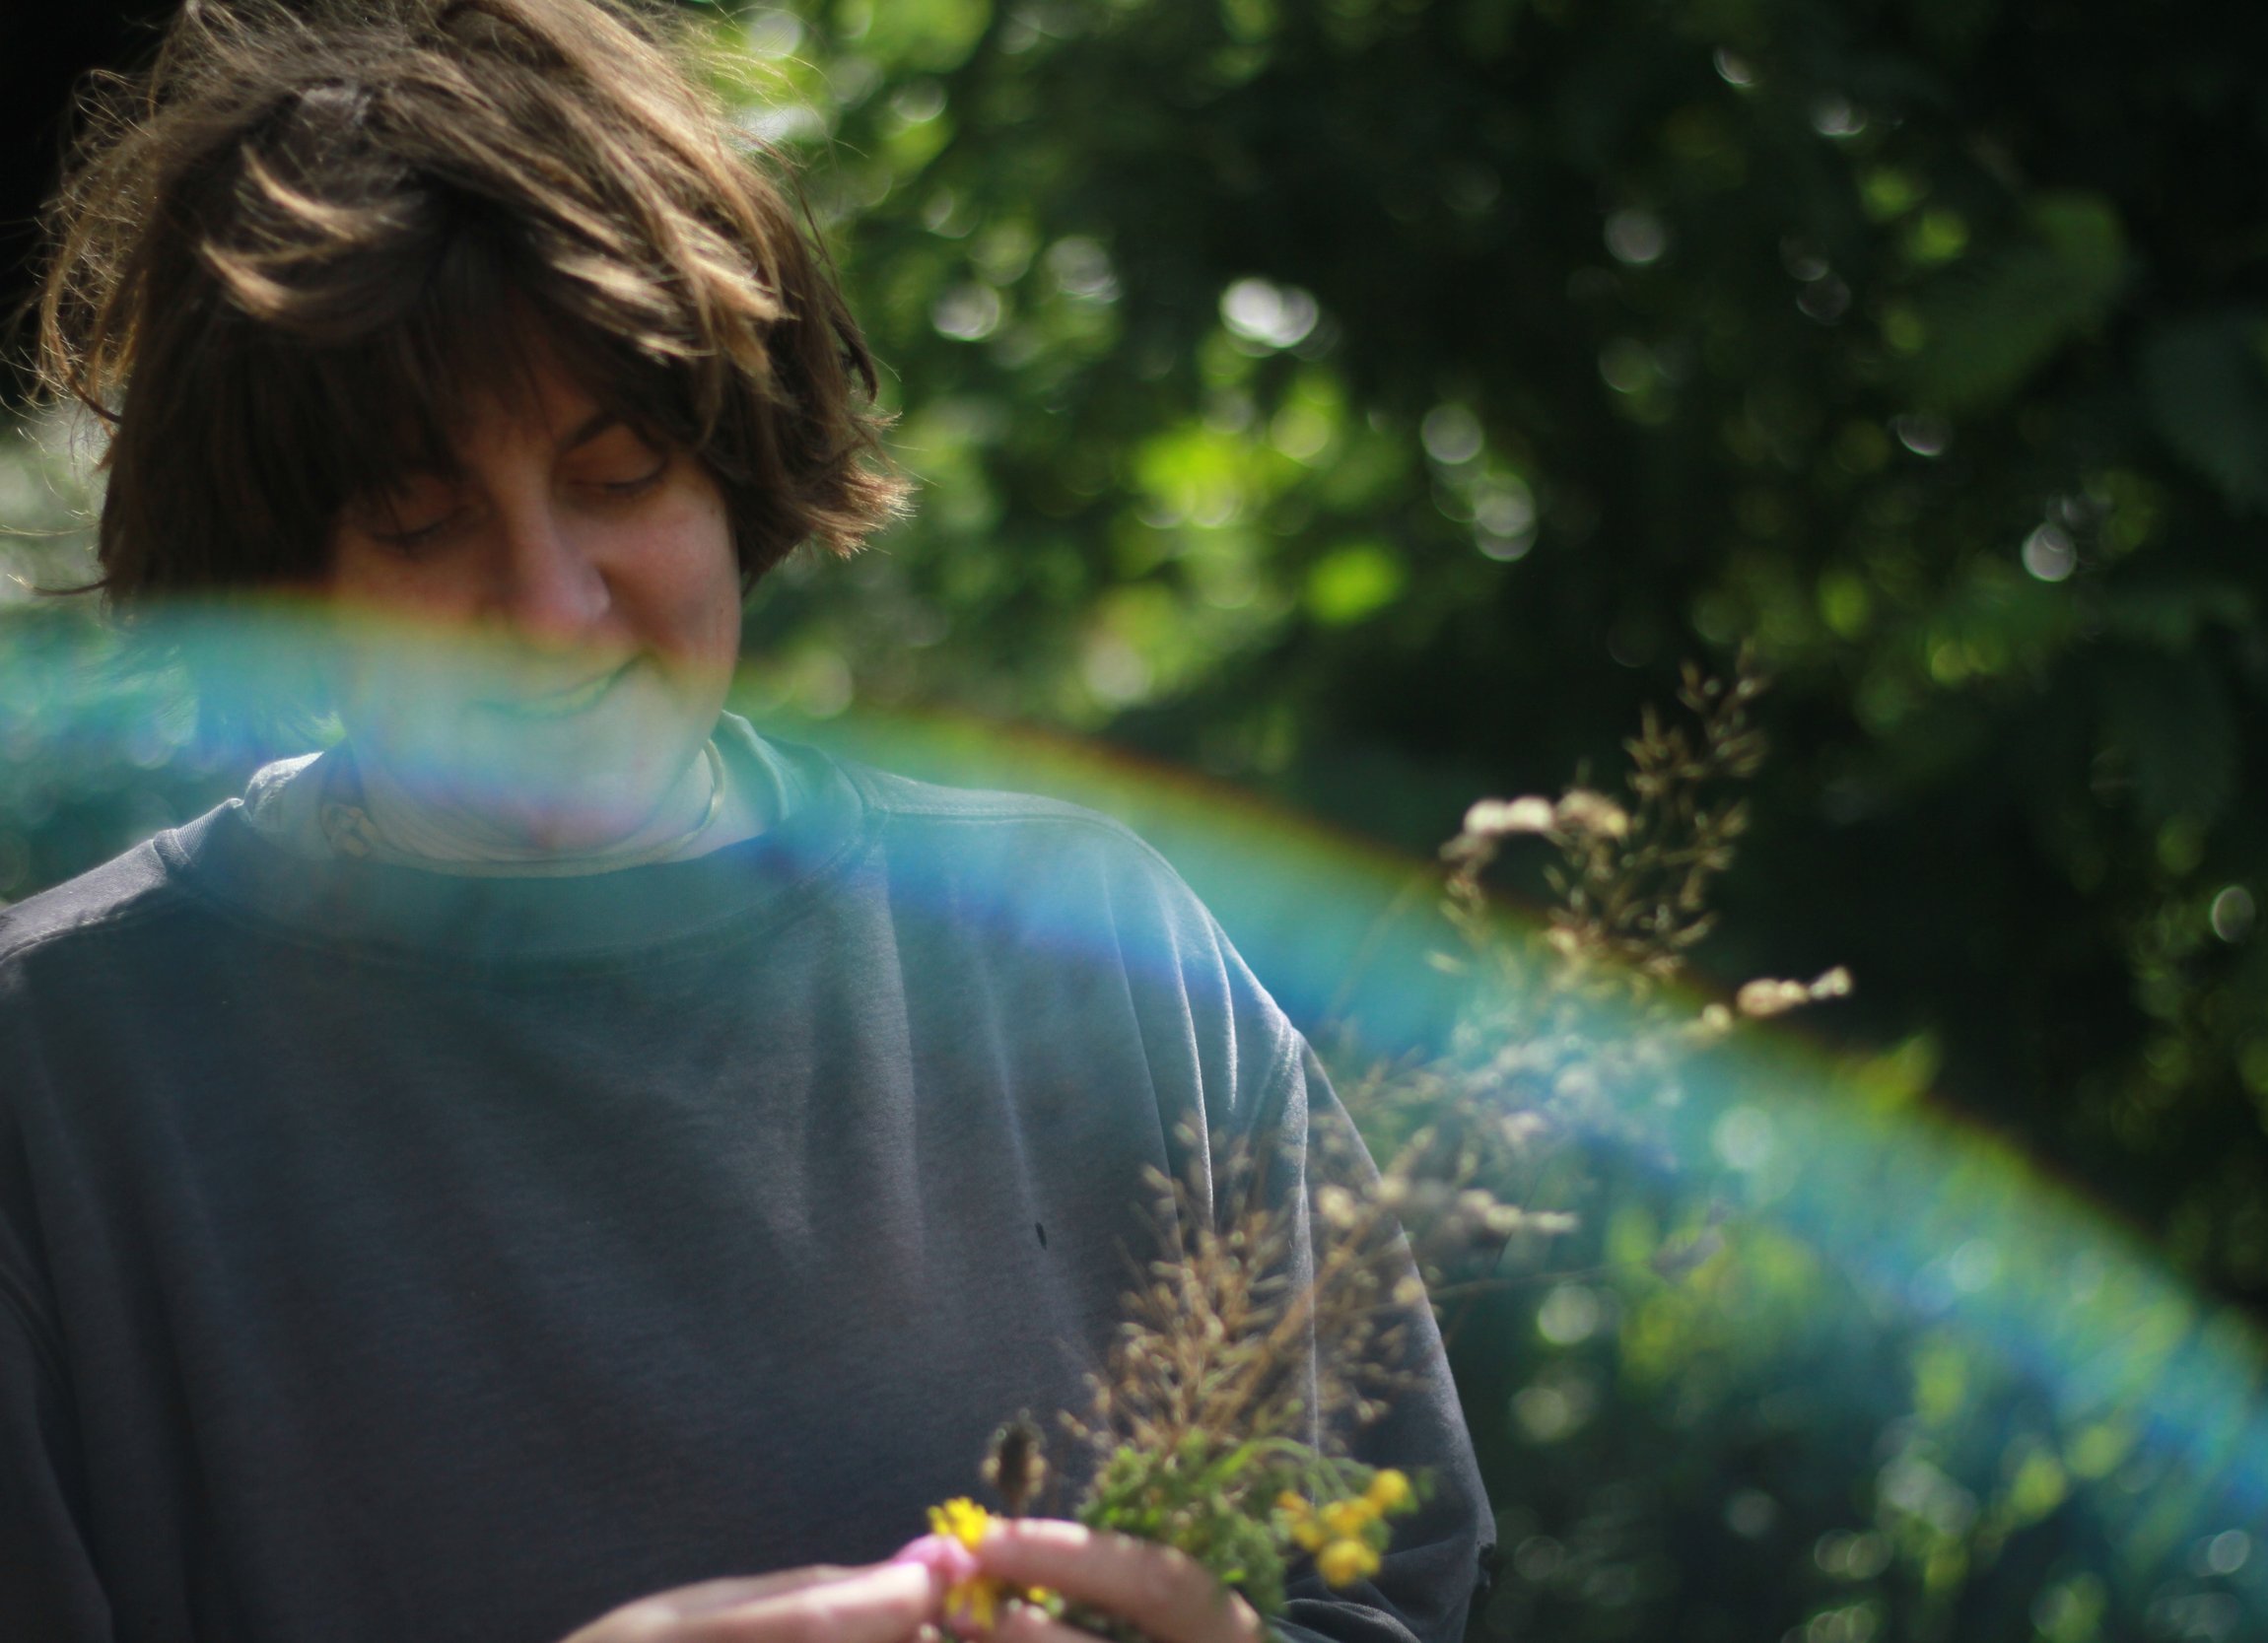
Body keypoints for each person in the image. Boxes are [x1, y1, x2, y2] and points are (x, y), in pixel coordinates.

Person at [0, 2, 1491, 1641]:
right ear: (280, 581)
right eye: (419, 519)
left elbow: (1402, 1587)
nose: (551, 608)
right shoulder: (53, 1081)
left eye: (621, 471)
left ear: (735, 463)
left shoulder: (1089, 947)